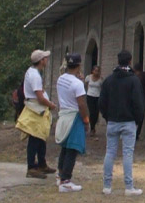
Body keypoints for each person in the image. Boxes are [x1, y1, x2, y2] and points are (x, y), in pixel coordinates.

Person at [100, 50, 145, 196]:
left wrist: (107, 117)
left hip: (113, 120)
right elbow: (138, 103)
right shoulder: (134, 80)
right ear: (130, 61)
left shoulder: (108, 80)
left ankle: (107, 186)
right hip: (129, 121)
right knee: (127, 154)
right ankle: (128, 186)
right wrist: (138, 119)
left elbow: (102, 102)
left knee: (110, 152)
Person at [15, 49, 57, 179]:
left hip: (36, 108)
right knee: (35, 138)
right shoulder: (35, 75)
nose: (47, 60)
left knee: (40, 138)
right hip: (36, 109)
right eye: (45, 58)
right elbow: (39, 96)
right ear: (41, 61)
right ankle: (32, 167)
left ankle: (41, 163)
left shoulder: (32, 72)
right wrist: (50, 104)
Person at [55, 53, 90, 192]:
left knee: (65, 147)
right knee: (73, 148)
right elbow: (81, 104)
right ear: (79, 65)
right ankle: (66, 180)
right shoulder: (77, 84)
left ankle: (60, 174)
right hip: (74, 116)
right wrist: (86, 119)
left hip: (64, 114)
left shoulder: (61, 79)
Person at [85, 65, 103, 136]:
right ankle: (92, 128)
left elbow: (102, 88)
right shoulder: (88, 77)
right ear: (92, 71)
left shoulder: (101, 79)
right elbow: (86, 84)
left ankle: (93, 125)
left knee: (96, 113)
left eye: (98, 71)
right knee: (92, 112)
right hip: (90, 96)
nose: (96, 72)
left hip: (97, 97)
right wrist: (87, 92)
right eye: (95, 70)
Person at [134, 63, 145, 142]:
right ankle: (136, 134)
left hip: (140, 100)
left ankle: (136, 134)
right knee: (140, 118)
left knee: (137, 118)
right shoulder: (144, 76)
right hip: (144, 100)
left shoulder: (139, 78)